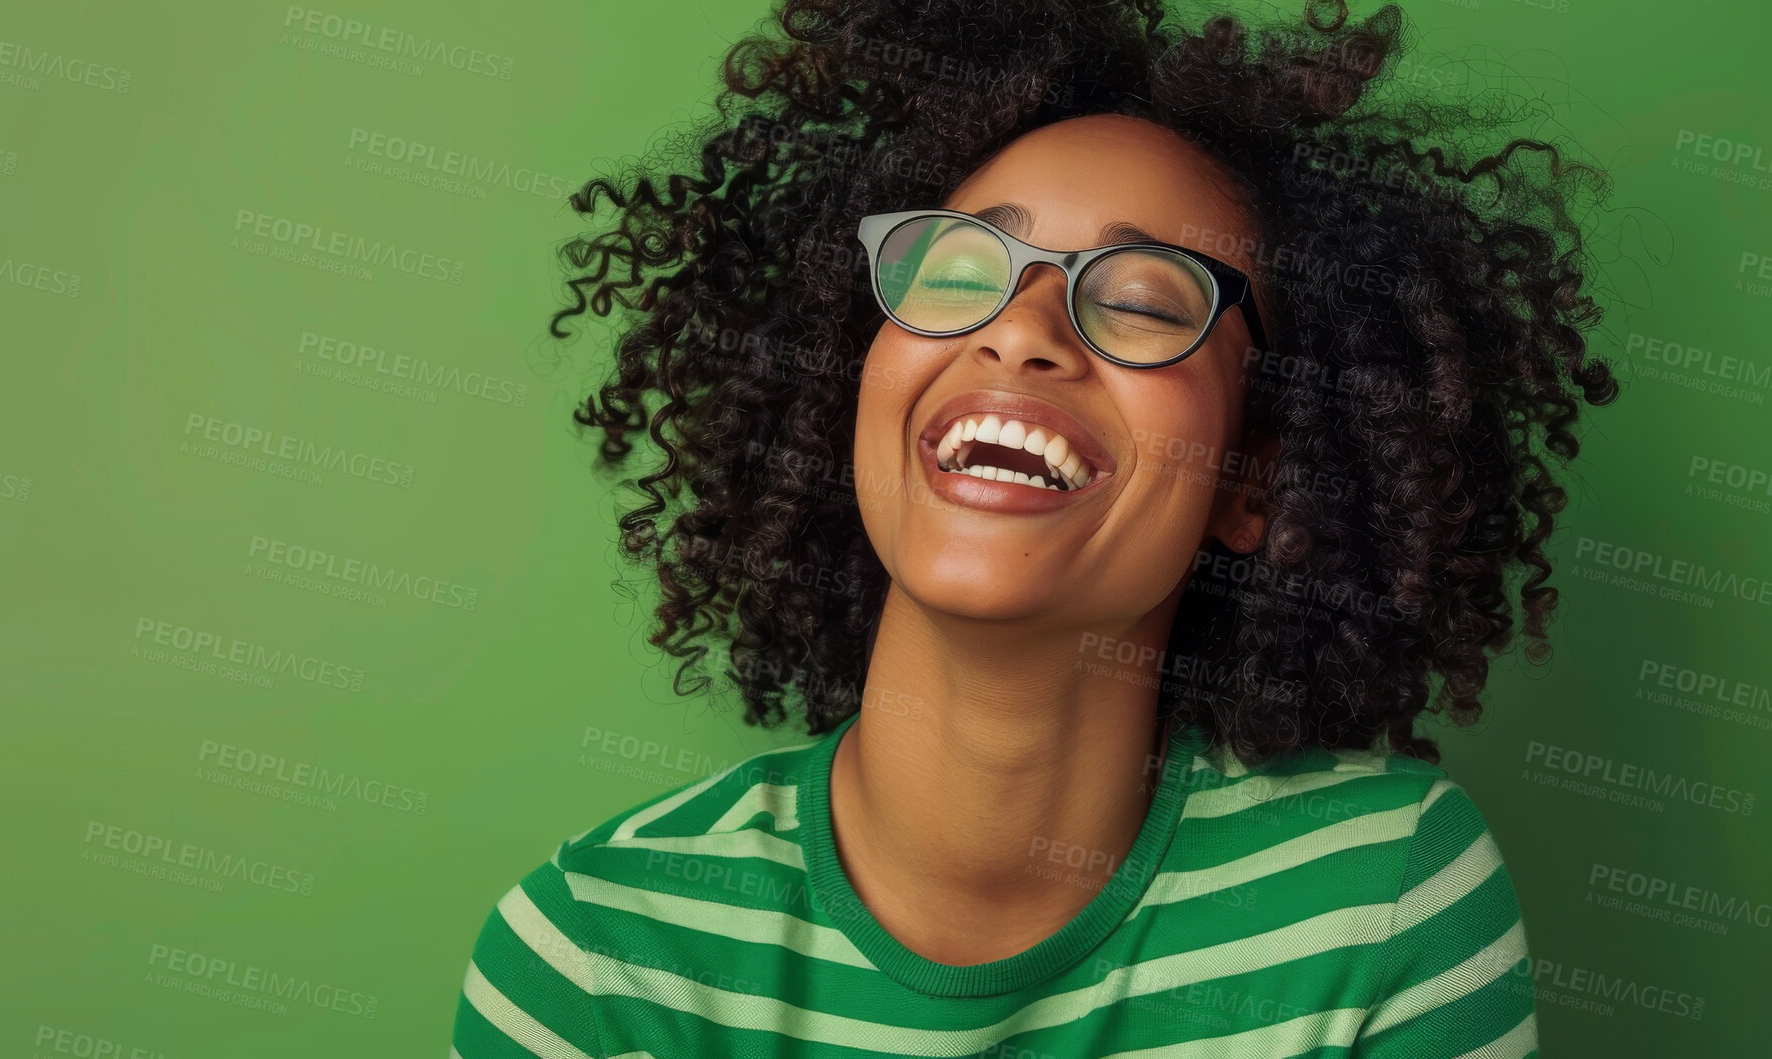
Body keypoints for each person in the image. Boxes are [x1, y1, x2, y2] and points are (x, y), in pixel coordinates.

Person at [452, 0, 1617, 1054]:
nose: (1021, 331)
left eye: (1142, 297)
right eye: (957, 268)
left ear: (1249, 482)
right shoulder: (595, 955)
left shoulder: (1381, 901)